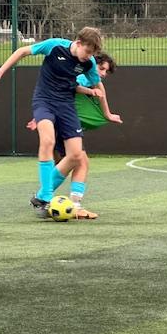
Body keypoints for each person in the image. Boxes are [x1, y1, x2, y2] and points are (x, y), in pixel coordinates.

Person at [0, 28, 102, 217]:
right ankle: (47, 198)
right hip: (44, 101)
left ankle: (41, 195)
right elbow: (21, 51)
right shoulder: (54, 46)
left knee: (75, 155)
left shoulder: (88, 64)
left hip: (66, 105)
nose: (89, 57)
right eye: (88, 52)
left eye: (92, 54)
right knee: (47, 141)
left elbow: (97, 83)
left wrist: (104, 107)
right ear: (78, 43)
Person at [26, 52, 122, 219]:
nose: (103, 74)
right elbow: (67, 90)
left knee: (77, 161)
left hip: (63, 124)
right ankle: (70, 204)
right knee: (80, 161)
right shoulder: (84, 77)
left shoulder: (84, 76)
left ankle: (42, 197)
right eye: (101, 69)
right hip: (63, 126)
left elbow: (97, 92)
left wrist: (107, 113)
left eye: (106, 71)